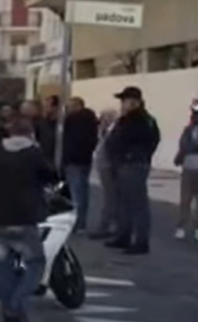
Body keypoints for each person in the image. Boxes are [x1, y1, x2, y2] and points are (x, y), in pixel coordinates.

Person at [0, 117, 56, 322]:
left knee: (3, 269)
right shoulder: (34, 154)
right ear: (30, 134)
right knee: (36, 262)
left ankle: (10, 319)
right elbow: (51, 175)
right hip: (24, 220)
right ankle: (16, 302)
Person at [104, 86, 160, 255]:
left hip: (133, 163)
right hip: (123, 163)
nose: (122, 104)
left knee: (137, 204)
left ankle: (141, 241)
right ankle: (124, 235)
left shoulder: (140, 120)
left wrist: (131, 155)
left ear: (134, 102)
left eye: (125, 100)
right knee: (124, 203)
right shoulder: (128, 119)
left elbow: (147, 140)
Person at [62, 97, 99, 232]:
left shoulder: (73, 120)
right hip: (84, 159)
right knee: (82, 191)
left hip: (74, 159)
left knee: (76, 193)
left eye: (69, 106)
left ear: (77, 106)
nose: (67, 109)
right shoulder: (90, 120)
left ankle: (77, 222)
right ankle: (80, 222)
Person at [89, 109, 120, 240]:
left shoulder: (113, 131)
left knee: (111, 197)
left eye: (104, 118)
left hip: (109, 166)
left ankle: (107, 225)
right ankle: (111, 224)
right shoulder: (104, 131)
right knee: (110, 197)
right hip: (104, 165)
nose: (101, 120)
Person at [173, 99, 198, 240]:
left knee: (186, 199)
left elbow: (184, 146)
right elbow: (184, 146)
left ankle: (183, 227)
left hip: (190, 166)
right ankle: (185, 227)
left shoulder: (189, 130)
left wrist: (180, 156)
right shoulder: (188, 130)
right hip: (189, 167)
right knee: (187, 200)